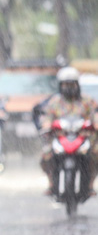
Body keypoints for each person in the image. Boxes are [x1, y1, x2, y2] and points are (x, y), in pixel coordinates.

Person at [40, 66, 98, 194]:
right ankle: (51, 183)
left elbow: (94, 115)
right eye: (66, 84)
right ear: (61, 85)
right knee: (46, 155)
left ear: (77, 85)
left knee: (95, 153)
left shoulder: (86, 101)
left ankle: (90, 185)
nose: (69, 87)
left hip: (82, 138)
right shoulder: (55, 102)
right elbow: (47, 117)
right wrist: (47, 125)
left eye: (71, 84)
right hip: (61, 138)